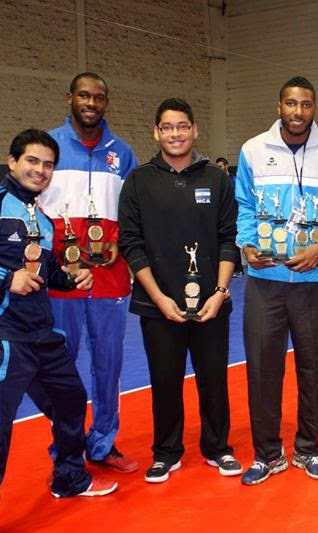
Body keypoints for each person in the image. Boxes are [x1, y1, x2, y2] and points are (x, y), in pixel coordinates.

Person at [0, 129, 117, 533]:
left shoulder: (42, 217)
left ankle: (69, 478)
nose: (40, 170)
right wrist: (5, 278)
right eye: (32, 161)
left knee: (72, 403)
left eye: (48, 164)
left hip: (42, 333)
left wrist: (73, 277)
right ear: (12, 161)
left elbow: (47, 272)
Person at [235, 76, 318, 485]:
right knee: (263, 369)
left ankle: (307, 449)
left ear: (314, 108)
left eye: (305, 104)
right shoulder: (252, 150)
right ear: (279, 106)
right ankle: (267, 454)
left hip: (314, 278)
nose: (297, 112)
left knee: (312, 368)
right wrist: (248, 245)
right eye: (290, 103)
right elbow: (244, 206)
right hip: (264, 278)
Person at [119, 99, 241, 483]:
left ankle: (217, 448)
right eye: (168, 127)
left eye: (182, 126)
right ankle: (166, 451)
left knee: (213, 379)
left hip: (211, 302)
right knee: (165, 379)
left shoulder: (217, 179)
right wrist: (158, 298)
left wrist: (220, 292)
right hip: (159, 305)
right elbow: (131, 244)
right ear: (156, 132)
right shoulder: (139, 180)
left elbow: (228, 239)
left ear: (195, 131)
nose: (175, 133)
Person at [35, 72, 140, 473]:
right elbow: (33, 211)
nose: (91, 103)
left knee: (108, 366)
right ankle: (66, 448)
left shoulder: (123, 154)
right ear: (69, 99)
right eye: (83, 95)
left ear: (106, 102)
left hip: (112, 278)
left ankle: (103, 443)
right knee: (61, 368)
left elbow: (133, 212)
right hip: (61, 280)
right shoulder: (49, 148)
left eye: (98, 96)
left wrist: (121, 240)